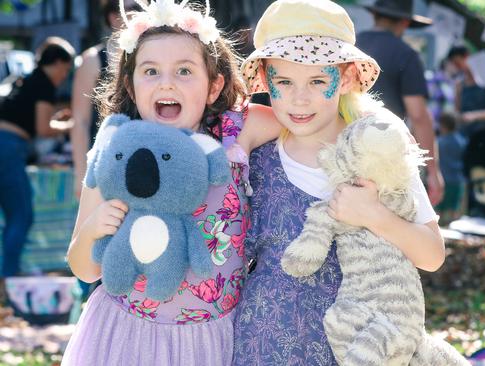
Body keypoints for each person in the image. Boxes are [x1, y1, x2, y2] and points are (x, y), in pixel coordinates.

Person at [62, 1, 280, 364]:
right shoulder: (117, 150)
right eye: (150, 71)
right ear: (131, 87)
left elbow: (308, 122)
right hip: (124, 337)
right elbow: (84, 268)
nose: (166, 82)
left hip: (213, 341)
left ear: (214, 86)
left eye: (184, 71)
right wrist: (91, 231)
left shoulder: (237, 131)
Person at [233, 1, 448, 364]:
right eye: (284, 82)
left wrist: (374, 214)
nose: (300, 98)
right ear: (266, 81)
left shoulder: (378, 152)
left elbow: (432, 255)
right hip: (261, 345)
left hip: (358, 348)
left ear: (345, 78)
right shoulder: (256, 155)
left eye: (318, 81)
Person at [0, 37, 74, 280]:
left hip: (8, 145)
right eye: (65, 69)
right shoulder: (43, 83)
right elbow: (43, 128)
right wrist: (71, 125)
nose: (64, 76)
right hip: (8, 147)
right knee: (21, 215)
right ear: (57, 63)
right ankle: (7, 280)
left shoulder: (26, 79)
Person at [356, 0, 444, 205]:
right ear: (405, 23)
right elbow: (419, 116)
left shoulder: (351, 48)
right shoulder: (406, 54)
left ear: (375, 15)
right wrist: (433, 171)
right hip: (385, 157)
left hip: (340, 148)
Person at [70, 0, 139, 198]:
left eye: (141, 8)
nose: (137, 14)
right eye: (132, 9)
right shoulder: (93, 60)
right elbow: (80, 122)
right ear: (112, 16)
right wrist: (81, 175)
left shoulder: (154, 56)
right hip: (104, 166)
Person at [447, 45, 485, 137]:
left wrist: (474, 116)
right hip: (465, 135)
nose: (458, 68)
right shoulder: (459, 85)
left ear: (467, 57)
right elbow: (457, 111)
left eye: (458, 63)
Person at [436, 111, 466, 225]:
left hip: (443, 180)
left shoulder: (439, 142)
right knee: (455, 210)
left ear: (443, 125)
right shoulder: (462, 141)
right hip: (458, 180)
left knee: (439, 210)